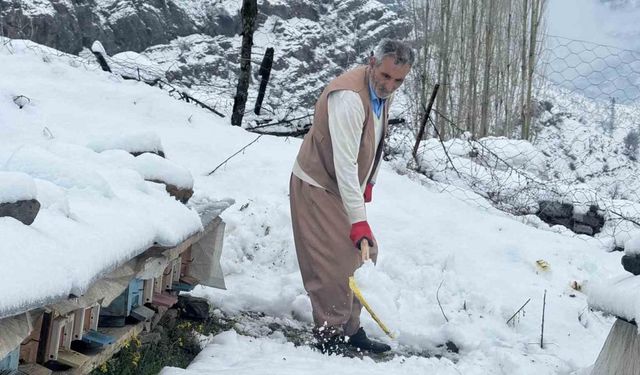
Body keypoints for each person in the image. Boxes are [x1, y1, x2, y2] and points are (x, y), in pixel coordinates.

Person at [289, 39, 414, 356]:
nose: (389, 85)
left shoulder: (380, 93)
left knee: (365, 255)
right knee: (334, 263)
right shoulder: (348, 98)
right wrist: (358, 221)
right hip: (317, 184)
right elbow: (344, 164)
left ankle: (351, 329)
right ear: (372, 62)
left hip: (343, 186)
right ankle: (328, 334)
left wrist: (369, 181)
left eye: (398, 80)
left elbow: (376, 140)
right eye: (385, 76)